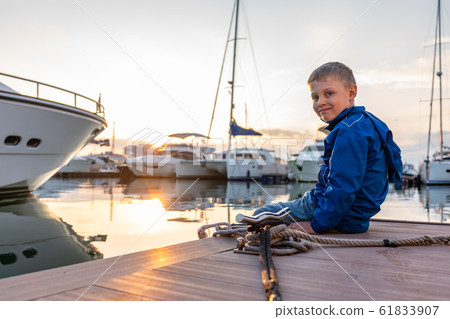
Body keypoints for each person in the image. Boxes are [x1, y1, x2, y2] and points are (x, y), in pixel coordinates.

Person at [253, 62, 402, 234]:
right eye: (315, 97)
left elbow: (343, 186)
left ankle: (328, 221)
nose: (321, 102)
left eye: (329, 94)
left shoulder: (349, 131)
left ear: (351, 92)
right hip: (358, 216)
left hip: (340, 214)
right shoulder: (364, 122)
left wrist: (316, 226)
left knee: (261, 214)